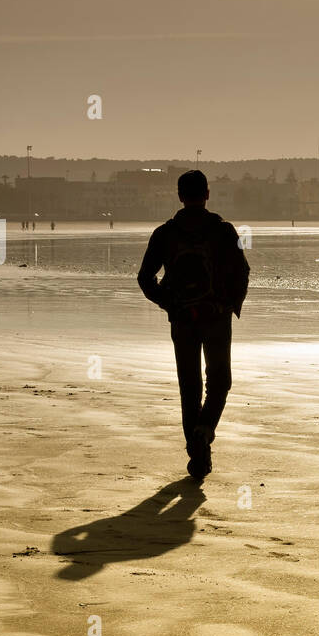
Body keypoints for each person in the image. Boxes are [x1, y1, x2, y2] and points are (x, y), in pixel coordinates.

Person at [138, 170, 250, 478]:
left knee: (189, 388)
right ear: (207, 194)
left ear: (179, 195)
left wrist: (169, 304)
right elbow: (242, 272)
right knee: (219, 382)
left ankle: (197, 454)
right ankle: (205, 432)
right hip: (216, 317)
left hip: (183, 320)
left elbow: (144, 278)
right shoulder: (224, 231)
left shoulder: (165, 233)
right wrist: (228, 306)